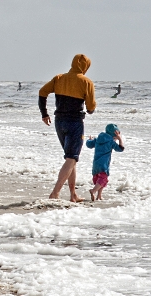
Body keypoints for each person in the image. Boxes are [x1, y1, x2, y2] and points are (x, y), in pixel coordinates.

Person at [39, 54, 96, 202]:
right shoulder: (86, 82)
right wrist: (90, 108)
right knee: (72, 158)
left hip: (59, 122)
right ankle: (55, 193)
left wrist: (44, 114)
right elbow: (90, 108)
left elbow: (42, 92)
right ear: (85, 67)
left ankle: (73, 195)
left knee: (71, 159)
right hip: (75, 123)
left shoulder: (59, 78)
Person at [85, 124, 125, 201]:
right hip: (104, 165)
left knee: (98, 180)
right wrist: (120, 139)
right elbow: (120, 149)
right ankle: (93, 191)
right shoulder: (111, 142)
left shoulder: (98, 139)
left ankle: (99, 196)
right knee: (103, 179)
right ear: (115, 134)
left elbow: (89, 145)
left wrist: (89, 139)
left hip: (96, 164)